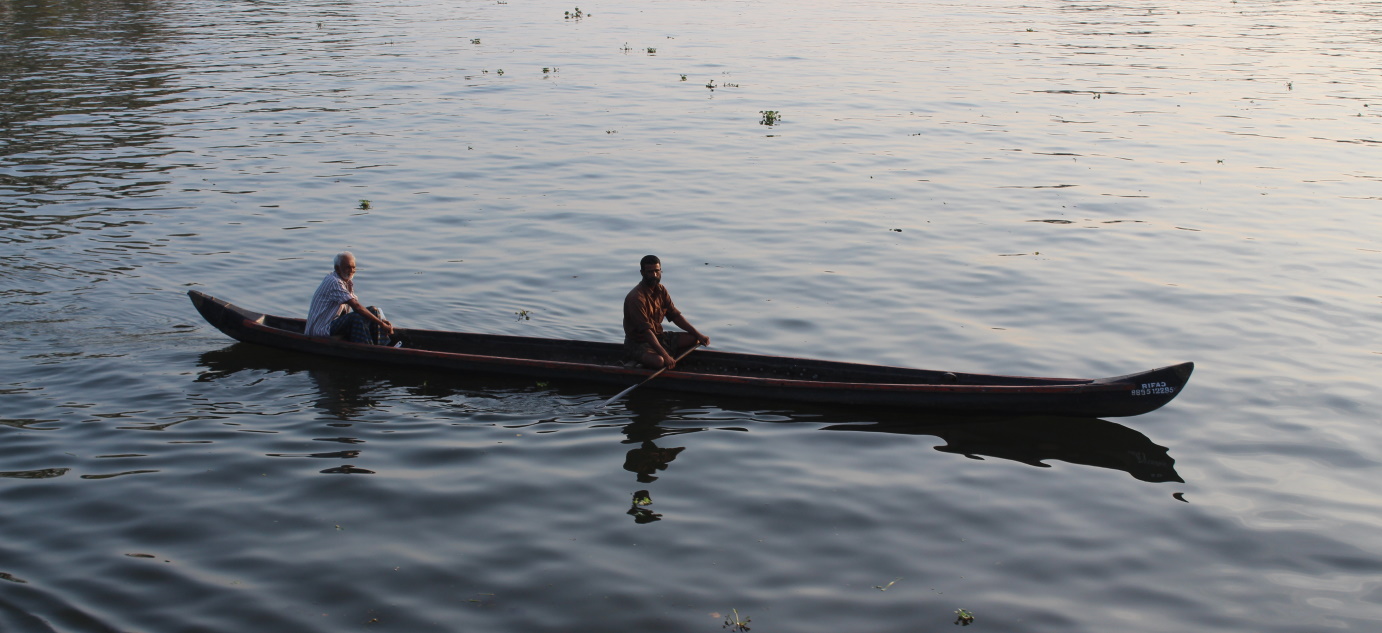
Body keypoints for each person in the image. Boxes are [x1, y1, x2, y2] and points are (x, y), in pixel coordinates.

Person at [623, 255, 709, 369]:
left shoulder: (661, 290)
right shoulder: (636, 298)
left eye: (657, 271)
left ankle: (670, 360)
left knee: (694, 339)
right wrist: (664, 355)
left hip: (658, 337)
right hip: (638, 343)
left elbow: (675, 316)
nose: (654, 275)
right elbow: (646, 332)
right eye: (650, 272)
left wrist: (699, 334)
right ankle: (659, 360)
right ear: (642, 273)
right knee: (659, 361)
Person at [306, 251, 395, 345]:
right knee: (356, 318)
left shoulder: (348, 282)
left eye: (353, 267)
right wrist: (381, 324)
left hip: (334, 324)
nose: (352, 270)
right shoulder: (334, 282)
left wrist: (380, 319)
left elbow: (359, 308)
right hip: (321, 330)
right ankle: (368, 348)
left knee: (373, 310)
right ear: (337, 268)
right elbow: (356, 307)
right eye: (348, 267)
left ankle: (383, 346)